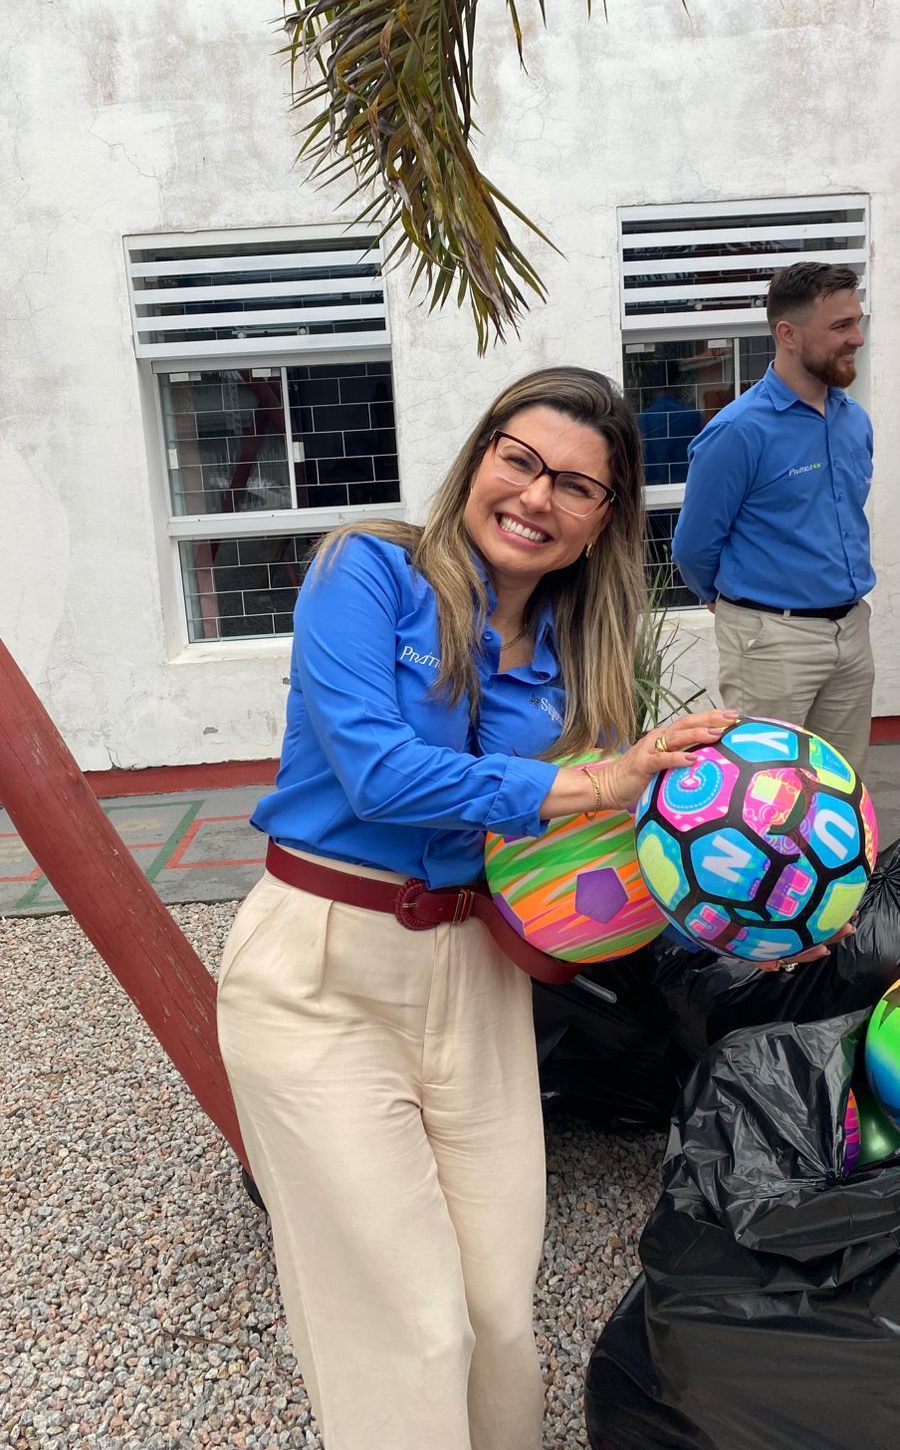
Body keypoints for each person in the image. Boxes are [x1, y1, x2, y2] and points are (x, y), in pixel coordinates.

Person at [216, 366, 739, 1450]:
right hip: (320, 971)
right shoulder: (368, 572)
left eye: (577, 486)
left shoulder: (569, 657)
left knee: (499, 1312)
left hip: (481, 977)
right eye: (521, 459)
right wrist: (598, 780)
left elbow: (578, 854)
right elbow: (378, 772)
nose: (538, 496)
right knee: (410, 1326)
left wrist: (729, 855)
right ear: (479, 461)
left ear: (602, 523)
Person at [672, 262, 875, 778]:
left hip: (851, 631)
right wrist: (727, 603)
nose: (856, 338)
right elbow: (694, 547)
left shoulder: (853, 420)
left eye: (857, 322)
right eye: (840, 327)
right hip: (771, 642)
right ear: (788, 334)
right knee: (768, 794)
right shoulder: (738, 432)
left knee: (841, 786)